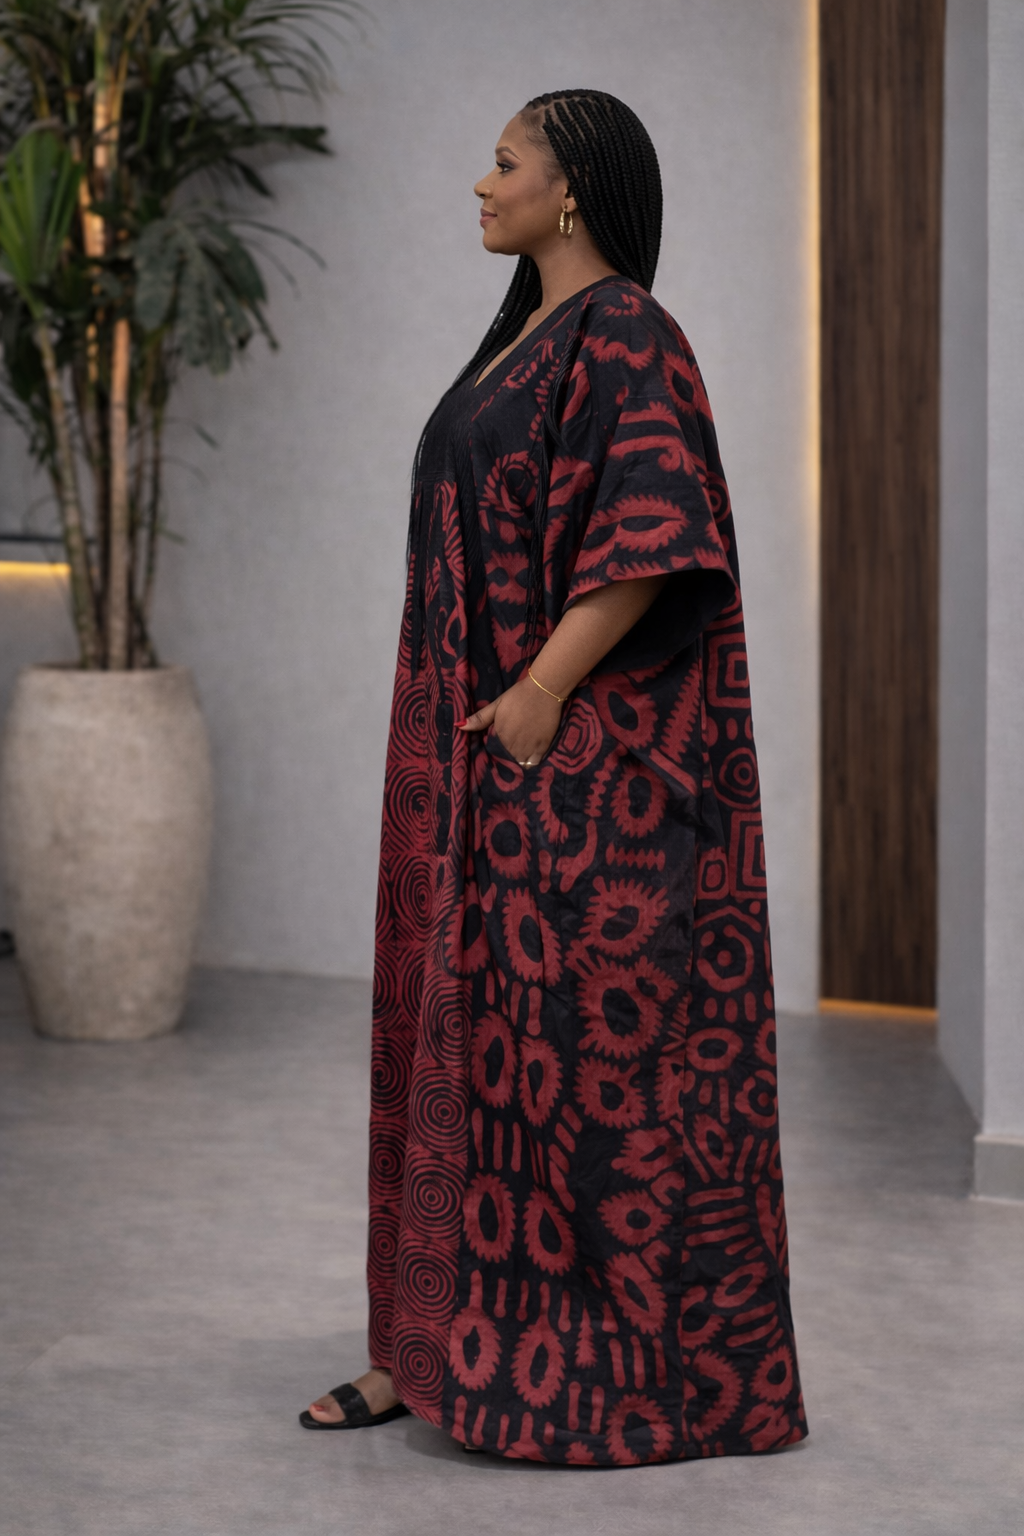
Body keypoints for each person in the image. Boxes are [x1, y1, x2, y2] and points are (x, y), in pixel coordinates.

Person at [302, 88, 807, 1465]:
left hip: (571, 787)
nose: (482, 182)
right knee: (451, 1055)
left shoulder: (627, 330)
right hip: (473, 778)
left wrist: (535, 697)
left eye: (506, 161)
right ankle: (424, 1355)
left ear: (570, 188)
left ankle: (571, 1376)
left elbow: (655, 532)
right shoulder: (522, 337)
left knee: (572, 1091)